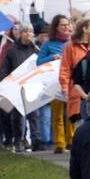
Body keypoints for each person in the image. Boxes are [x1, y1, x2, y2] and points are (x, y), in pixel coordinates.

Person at [0, 24, 38, 151]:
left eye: (30, 32)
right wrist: (5, 83)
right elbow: (4, 68)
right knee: (18, 116)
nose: (28, 34)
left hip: (32, 85)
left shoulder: (36, 49)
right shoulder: (12, 50)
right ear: (20, 33)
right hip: (16, 87)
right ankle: (18, 141)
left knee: (34, 114)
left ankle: (36, 141)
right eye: (25, 31)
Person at [38, 14, 72, 153]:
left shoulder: (72, 42)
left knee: (71, 113)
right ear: (56, 27)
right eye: (63, 25)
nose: (66, 27)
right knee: (57, 114)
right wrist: (52, 57)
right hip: (54, 83)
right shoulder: (48, 43)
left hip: (70, 81)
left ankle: (72, 141)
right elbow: (38, 62)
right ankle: (60, 143)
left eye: (67, 24)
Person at [58, 17, 90, 134]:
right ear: (84, 29)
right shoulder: (70, 46)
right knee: (80, 125)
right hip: (77, 91)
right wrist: (64, 87)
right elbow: (65, 68)